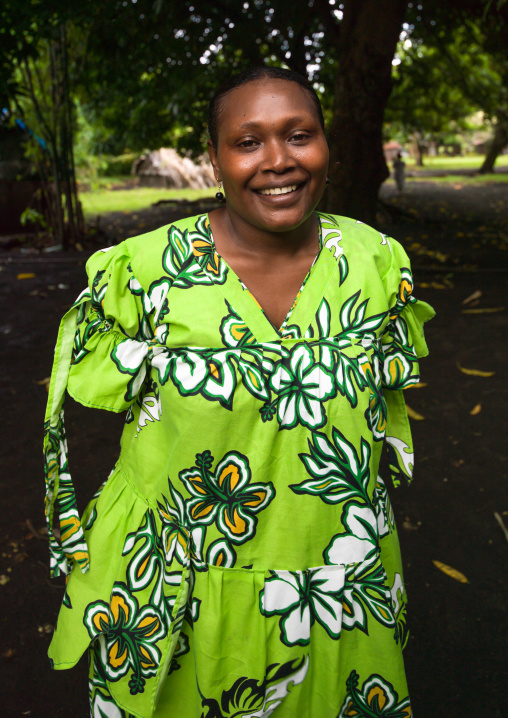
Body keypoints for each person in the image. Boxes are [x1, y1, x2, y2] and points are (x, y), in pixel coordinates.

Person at [43, 67, 434, 718]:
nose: (278, 160)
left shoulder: (374, 263)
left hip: (339, 583)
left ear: (327, 147)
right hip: (179, 586)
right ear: (216, 160)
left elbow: (378, 418)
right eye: (248, 142)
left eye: (298, 135)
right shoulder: (144, 273)